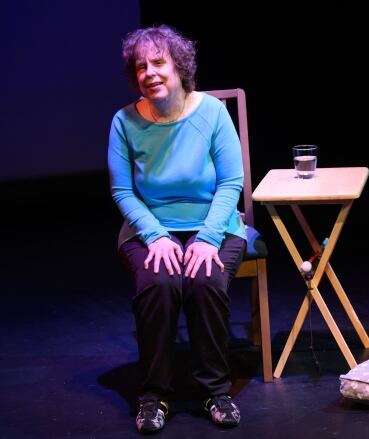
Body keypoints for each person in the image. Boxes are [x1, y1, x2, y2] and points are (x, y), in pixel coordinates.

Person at [107, 24, 245, 434]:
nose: (148, 72)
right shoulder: (124, 121)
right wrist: (157, 236)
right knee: (160, 284)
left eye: (158, 62)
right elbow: (122, 191)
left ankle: (215, 391)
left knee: (204, 281)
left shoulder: (212, 112)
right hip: (149, 228)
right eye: (139, 66)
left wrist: (207, 238)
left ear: (179, 66)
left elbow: (231, 183)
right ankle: (153, 396)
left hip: (214, 223)